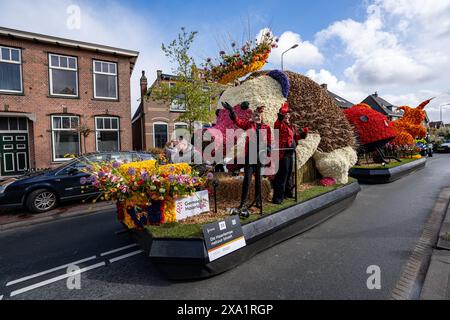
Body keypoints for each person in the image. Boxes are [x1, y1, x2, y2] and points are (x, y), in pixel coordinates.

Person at [223, 101, 272, 216]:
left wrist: (268, 148)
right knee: (247, 180)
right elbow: (238, 122)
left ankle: (258, 202)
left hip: (260, 156)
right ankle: (243, 203)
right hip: (250, 156)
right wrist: (231, 111)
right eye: (255, 115)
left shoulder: (267, 128)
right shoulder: (249, 125)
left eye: (258, 115)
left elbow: (269, 141)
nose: (256, 117)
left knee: (259, 181)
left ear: (262, 117)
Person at [272, 102, 307, 204]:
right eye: (285, 115)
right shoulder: (278, 124)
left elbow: (294, 138)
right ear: (282, 116)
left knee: (288, 175)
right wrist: (281, 114)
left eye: (288, 115)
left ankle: (288, 193)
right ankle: (278, 198)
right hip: (283, 154)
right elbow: (277, 124)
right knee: (282, 176)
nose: (288, 116)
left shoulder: (290, 126)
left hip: (290, 153)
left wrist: (303, 134)